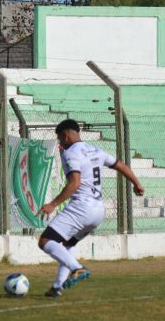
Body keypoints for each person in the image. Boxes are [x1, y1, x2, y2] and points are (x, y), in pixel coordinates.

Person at [37, 119, 145, 298]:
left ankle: (77, 269)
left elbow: (75, 182)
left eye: (60, 139)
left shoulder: (71, 153)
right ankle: (57, 287)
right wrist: (137, 184)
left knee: (46, 241)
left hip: (81, 207)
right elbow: (121, 165)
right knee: (67, 244)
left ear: (65, 135)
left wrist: (52, 204)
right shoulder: (96, 150)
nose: (60, 143)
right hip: (98, 211)